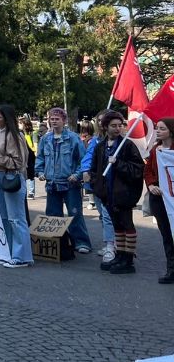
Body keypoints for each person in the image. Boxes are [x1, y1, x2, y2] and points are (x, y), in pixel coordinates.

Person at [89, 111, 145, 274]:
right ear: (105, 127)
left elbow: (137, 169)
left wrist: (118, 163)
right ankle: (119, 255)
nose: (117, 128)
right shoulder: (100, 147)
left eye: (120, 125)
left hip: (123, 194)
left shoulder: (127, 146)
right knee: (117, 226)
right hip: (108, 194)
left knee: (127, 224)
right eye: (113, 126)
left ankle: (128, 258)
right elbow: (94, 169)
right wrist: (96, 184)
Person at [35, 107, 92, 254]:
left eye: (57, 119)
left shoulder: (73, 138)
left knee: (75, 214)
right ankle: (57, 242)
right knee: (53, 215)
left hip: (70, 183)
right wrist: (40, 171)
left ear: (64, 121)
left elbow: (83, 159)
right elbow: (40, 158)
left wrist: (77, 175)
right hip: (52, 184)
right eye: (51, 119)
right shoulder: (45, 139)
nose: (54, 121)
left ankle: (81, 242)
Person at [0, 105, 34, 268]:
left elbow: (18, 162)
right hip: (0, 176)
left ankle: (21, 257)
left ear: (6, 118)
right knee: (5, 217)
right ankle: (9, 252)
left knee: (15, 218)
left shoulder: (14, 135)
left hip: (11, 176)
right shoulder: (0, 133)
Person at [80, 110, 116, 267]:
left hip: (114, 186)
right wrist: (85, 171)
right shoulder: (95, 141)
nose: (102, 124)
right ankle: (111, 243)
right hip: (99, 185)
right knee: (104, 216)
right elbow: (87, 159)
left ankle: (111, 245)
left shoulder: (120, 142)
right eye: (99, 121)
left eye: (105, 121)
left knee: (108, 216)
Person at [144, 117, 174, 283]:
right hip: (160, 198)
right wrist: (151, 185)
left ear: (170, 130)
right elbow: (148, 171)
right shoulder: (156, 150)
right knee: (167, 235)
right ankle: (171, 269)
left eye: (162, 128)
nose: (158, 131)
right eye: (157, 128)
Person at [20, 115, 38, 199]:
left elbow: (35, 144)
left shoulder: (32, 133)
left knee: (30, 173)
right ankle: (25, 191)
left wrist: (36, 154)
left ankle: (31, 192)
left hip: (31, 155)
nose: (20, 125)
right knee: (24, 172)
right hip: (23, 154)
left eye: (21, 123)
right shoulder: (21, 133)